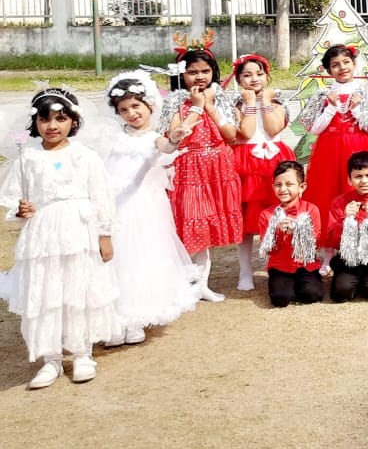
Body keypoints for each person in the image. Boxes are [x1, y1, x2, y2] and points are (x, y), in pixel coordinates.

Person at [0, 89, 116, 389]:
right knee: (46, 291)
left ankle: (82, 354)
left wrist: (104, 234)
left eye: (60, 119)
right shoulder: (28, 159)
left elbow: (102, 197)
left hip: (79, 231)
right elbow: (13, 196)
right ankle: (50, 359)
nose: (52, 126)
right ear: (35, 123)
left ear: (73, 122)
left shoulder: (85, 156)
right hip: (43, 233)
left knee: (78, 290)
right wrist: (20, 209)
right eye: (45, 119)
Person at [101, 74, 199, 347]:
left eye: (136, 106)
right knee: (115, 257)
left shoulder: (153, 137)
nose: (131, 113)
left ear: (150, 105)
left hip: (143, 204)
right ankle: (114, 318)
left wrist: (175, 138)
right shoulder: (113, 137)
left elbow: (166, 147)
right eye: (124, 109)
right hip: (114, 202)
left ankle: (135, 318)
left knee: (140, 255)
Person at [159, 32, 242, 302]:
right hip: (188, 168)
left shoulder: (221, 98)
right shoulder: (174, 101)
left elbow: (231, 135)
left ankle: (202, 284)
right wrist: (196, 108)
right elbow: (175, 136)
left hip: (217, 167)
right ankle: (184, 283)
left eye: (205, 71)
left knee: (206, 227)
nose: (199, 77)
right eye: (192, 72)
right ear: (181, 74)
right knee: (191, 223)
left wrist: (210, 107)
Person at [230, 53, 294, 291]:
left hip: (274, 161)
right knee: (245, 219)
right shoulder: (236, 106)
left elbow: (273, 127)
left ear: (267, 76)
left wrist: (265, 101)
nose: (254, 79)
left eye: (259, 74)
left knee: (278, 214)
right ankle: (245, 271)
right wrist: (249, 104)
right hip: (246, 162)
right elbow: (245, 133)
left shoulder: (277, 103)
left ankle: (276, 264)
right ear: (239, 79)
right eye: (247, 75)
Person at [297, 44, 368, 216]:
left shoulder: (366, 92)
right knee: (328, 188)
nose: (342, 68)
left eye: (346, 62)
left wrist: (357, 109)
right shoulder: (323, 94)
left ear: (354, 64)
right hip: (328, 149)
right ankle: (331, 227)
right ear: (329, 71)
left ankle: (362, 225)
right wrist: (330, 107)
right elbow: (314, 129)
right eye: (335, 65)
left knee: (358, 186)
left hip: (358, 146)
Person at [323, 152, 368, 302]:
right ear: (349, 179)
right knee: (341, 293)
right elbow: (332, 241)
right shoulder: (339, 203)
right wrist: (344, 220)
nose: (364, 181)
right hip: (350, 254)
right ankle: (348, 274)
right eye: (358, 176)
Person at [258, 161, 324, 308]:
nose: (283, 189)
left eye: (289, 184)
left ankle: (303, 283)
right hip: (280, 266)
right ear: (273, 186)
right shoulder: (267, 214)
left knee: (312, 295)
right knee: (280, 300)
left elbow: (316, 243)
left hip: (306, 264)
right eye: (278, 185)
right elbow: (268, 250)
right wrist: (278, 233)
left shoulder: (311, 210)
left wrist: (299, 232)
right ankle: (283, 285)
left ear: (302, 187)